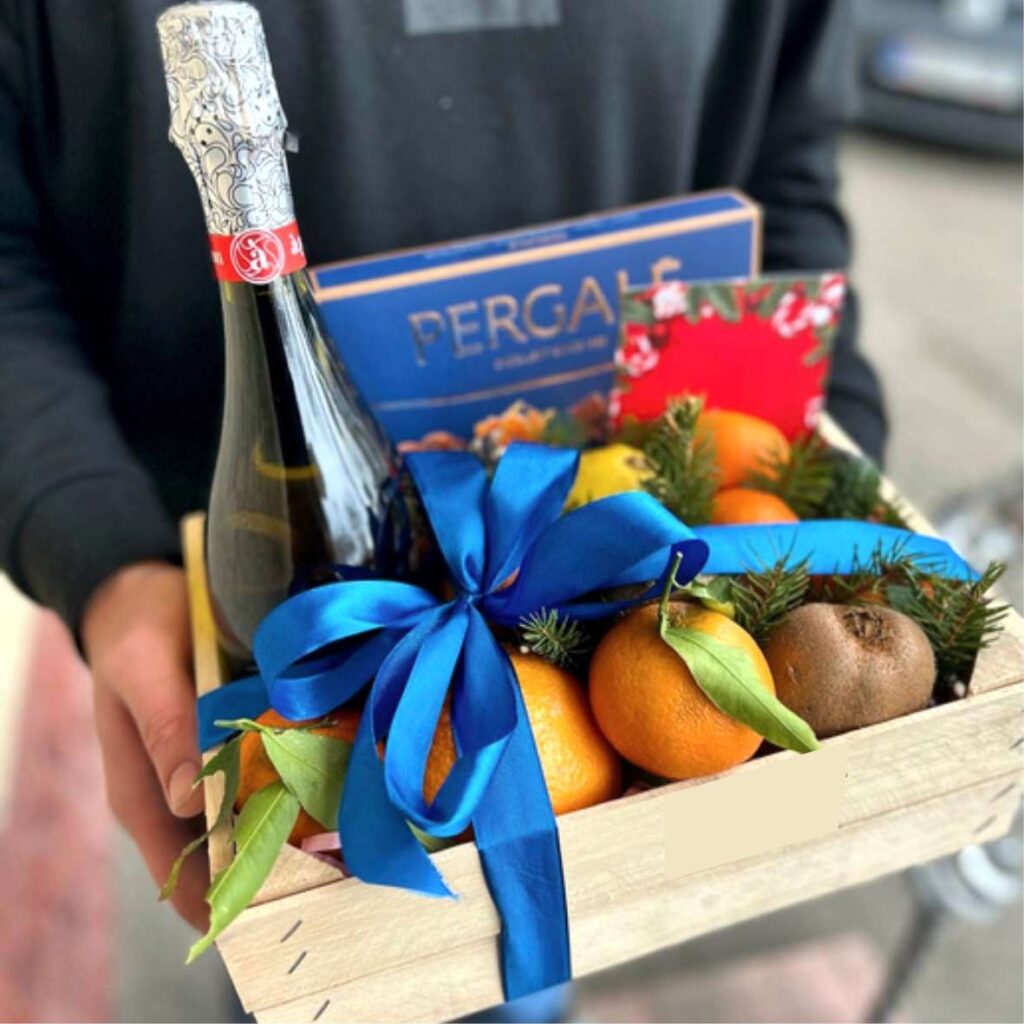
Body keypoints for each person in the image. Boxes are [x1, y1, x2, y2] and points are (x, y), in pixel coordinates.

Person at [0, 0, 885, 1002]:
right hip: (281, 626)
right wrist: (97, 548)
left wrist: (832, 449)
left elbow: (786, 170)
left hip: (659, 556)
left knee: (525, 974)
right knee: (324, 979)